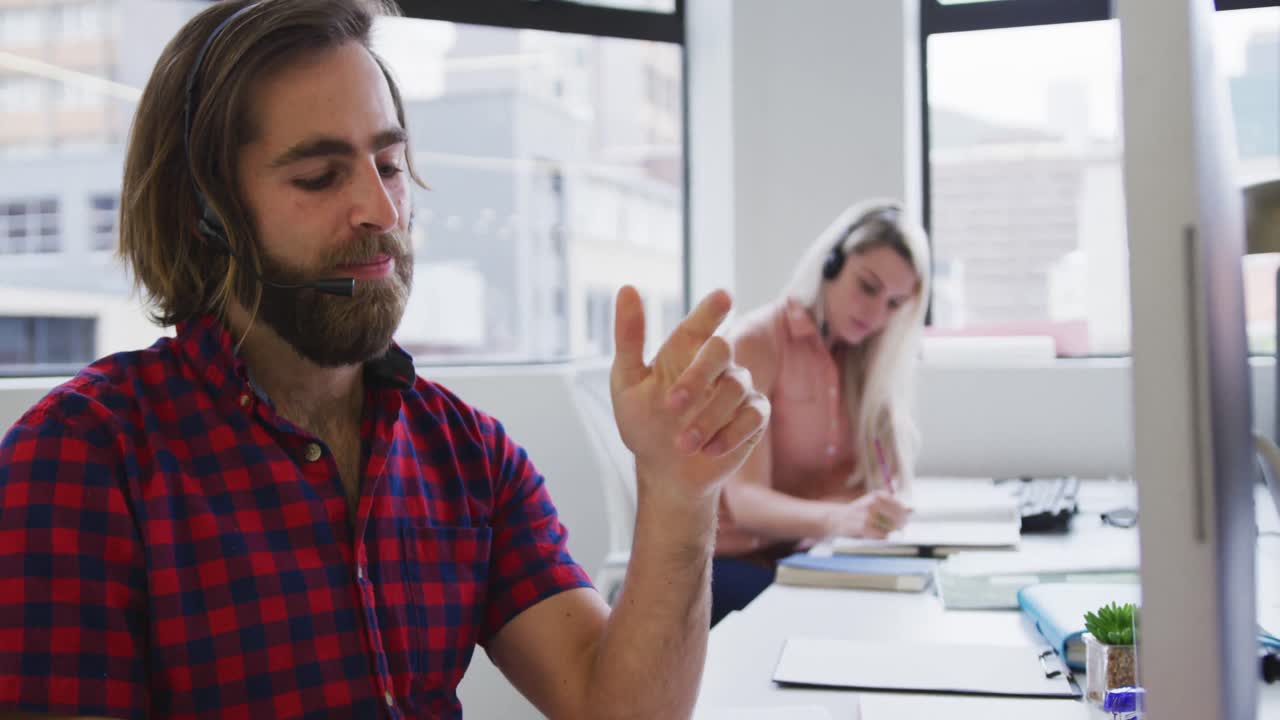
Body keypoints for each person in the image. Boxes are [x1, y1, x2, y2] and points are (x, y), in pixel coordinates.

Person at [0, 1, 769, 718]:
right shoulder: (82, 458)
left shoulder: (468, 455)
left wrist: (679, 496)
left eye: (390, 164)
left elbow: (619, 706)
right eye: (319, 176)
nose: (381, 210)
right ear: (205, 214)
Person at [710, 201, 932, 625]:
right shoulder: (757, 342)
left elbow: (884, 482)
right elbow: (745, 502)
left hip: (809, 555)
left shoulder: (862, 359)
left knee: (909, 605)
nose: (876, 314)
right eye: (867, 287)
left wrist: (880, 508)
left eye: (894, 304)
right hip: (733, 564)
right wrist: (839, 516)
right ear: (832, 264)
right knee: (856, 620)